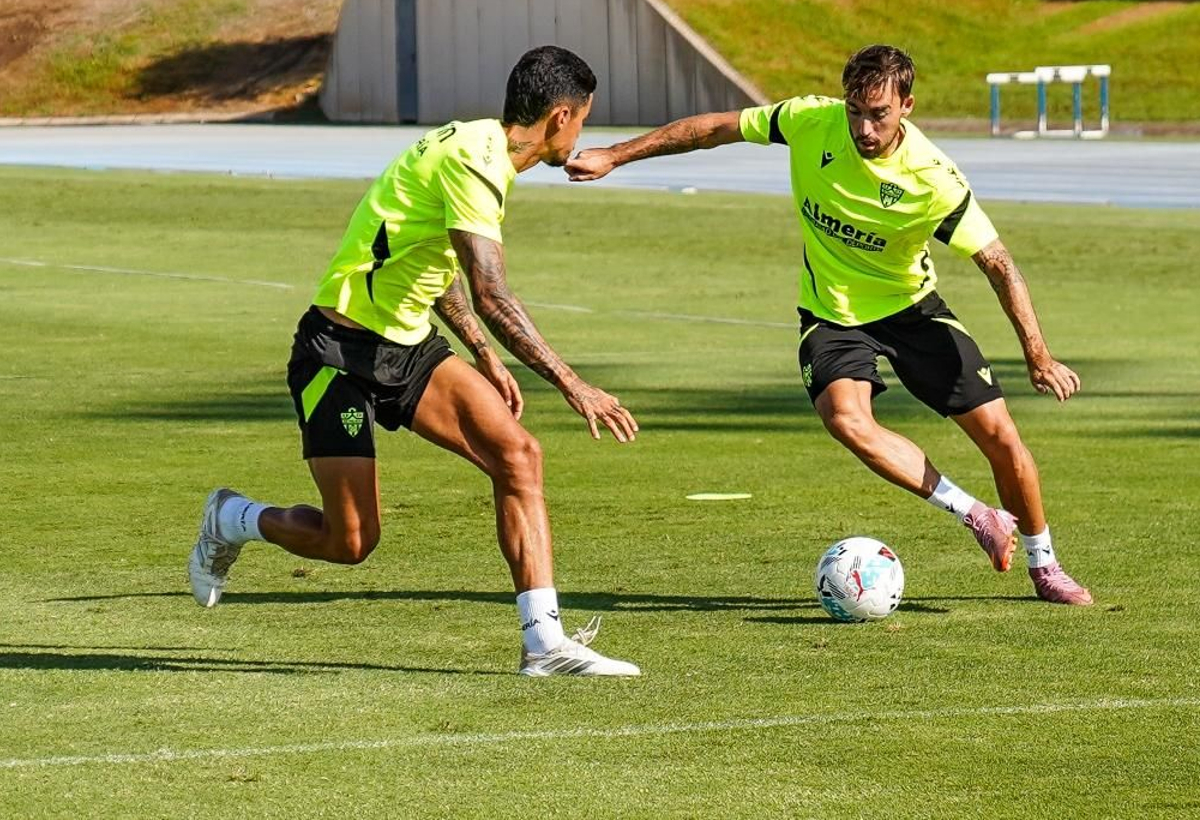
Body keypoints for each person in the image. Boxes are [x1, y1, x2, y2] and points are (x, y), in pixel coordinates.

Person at [565, 45, 1092, 605]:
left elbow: (999, 264)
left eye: (879, 114)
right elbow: (714, 128)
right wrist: (616, 155)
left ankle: (1046, 566)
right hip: (831, 313)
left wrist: (1038, 354)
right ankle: (976, 514)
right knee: (846, 419)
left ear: (907, 106)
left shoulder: (933, 180)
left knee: (1001, 438)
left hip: (910, 309)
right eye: (855, 111)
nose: (864, 127)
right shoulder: (810, 120)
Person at [189, 45, 644, 675]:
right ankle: (232, 518)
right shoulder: (477, 162)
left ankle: (544, 644)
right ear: (562, 116)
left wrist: (483, 354)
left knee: (518, 454)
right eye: (586, 118)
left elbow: (432, 260)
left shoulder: (481, 151)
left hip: (406, 348)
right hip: (338, 354)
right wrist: (574, 384)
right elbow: (491, 293)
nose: (584, 132)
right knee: (350, 542)